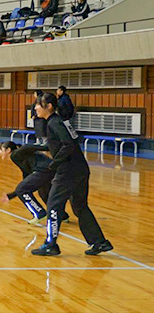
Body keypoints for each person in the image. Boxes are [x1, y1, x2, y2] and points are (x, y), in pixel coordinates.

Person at [30, 92, 112, 256]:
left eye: (39, 104)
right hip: (80, 169)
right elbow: (63, 143)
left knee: (53, 205)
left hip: (68, 171)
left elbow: (68, 145)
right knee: (80, 206)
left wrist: (54, 163)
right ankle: (99, 242)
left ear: (49, 106)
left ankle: (50, 244)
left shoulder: (54, 123)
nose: (36, 107)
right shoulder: (58, 121)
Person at [0, 140, 60, 226]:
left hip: (44, 170)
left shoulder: (15, 154)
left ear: (8, 150)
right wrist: (11, 195)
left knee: (22, 189)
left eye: (1, 150)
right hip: (50, 170)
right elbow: (26, 176)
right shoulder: (19, 158)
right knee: (44, 194)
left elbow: (28, 147)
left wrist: (47, 147)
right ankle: (61, 215)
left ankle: (39, 213)